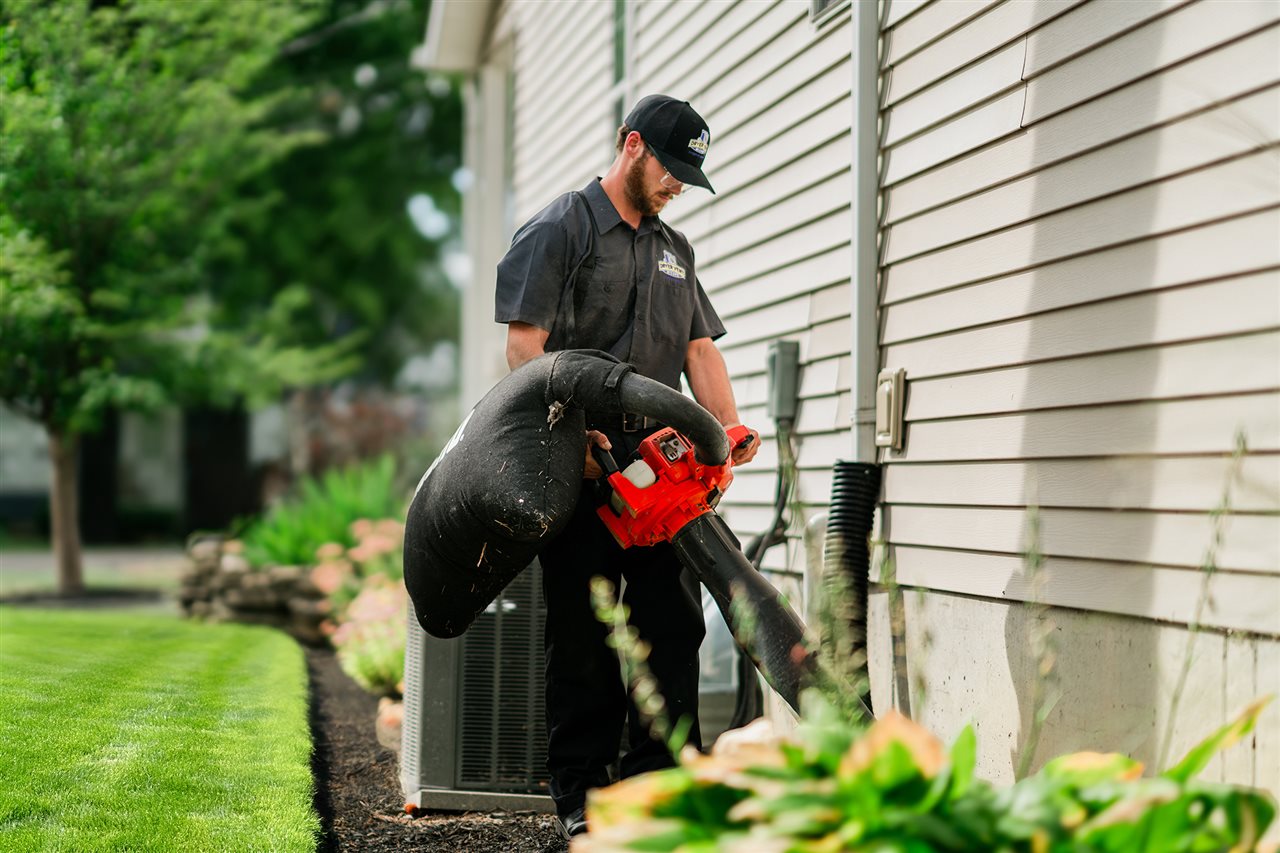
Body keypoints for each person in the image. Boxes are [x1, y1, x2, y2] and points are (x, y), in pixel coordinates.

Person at [494, 94, 760, 838]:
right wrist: (570, 437)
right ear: (632, 145)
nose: (677, 184)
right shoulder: (561, 228)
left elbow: (699, 349)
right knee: (584, 639)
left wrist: (724, 432)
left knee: (672, 633)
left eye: (688, 175)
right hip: (585, 469)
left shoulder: (675, 248)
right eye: (670, 169)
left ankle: (660, 796)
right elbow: (525, 346)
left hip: (663, 479)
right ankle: (582, 801)